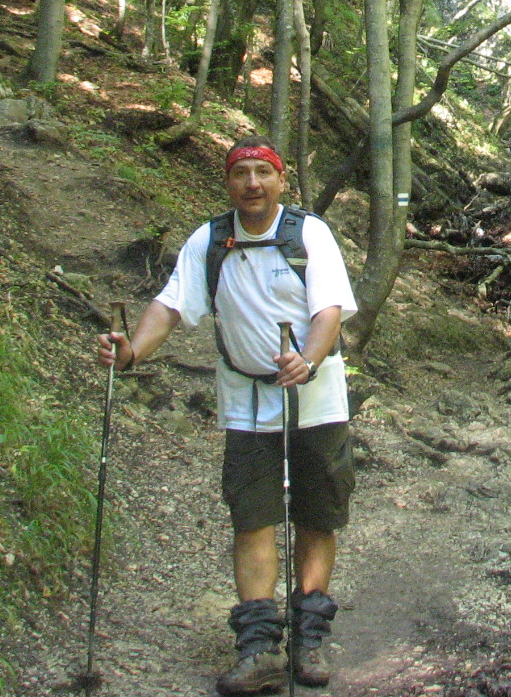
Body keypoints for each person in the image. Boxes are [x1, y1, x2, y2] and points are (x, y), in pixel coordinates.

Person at [97, 136, 356, 693]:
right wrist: (132, 352)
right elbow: (171, 304)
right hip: (246, 403)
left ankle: (309, 638)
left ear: (281, 181)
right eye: (242, 174)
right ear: (229, 183)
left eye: (263, 172)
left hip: (317, 398)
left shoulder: (310, 234)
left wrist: (308, 359)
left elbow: (329, 311)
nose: (252, 184)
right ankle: (259, 648)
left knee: (317, 514)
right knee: (252, 517)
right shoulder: (210, 240)